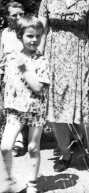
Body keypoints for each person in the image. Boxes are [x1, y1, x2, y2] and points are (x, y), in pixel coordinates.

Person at [38, 0, 89, 172]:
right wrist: (38, 62)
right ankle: (65, 154)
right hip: (53, 61)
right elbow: (41, 33)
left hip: (79, 61)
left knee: (84, 111)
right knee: (55, 112)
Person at [0, 16, 50, 193]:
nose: (34, 39)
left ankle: (32, 184)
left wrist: (24, 69)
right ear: (20, 36)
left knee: (33, 146)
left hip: (35, 109)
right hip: (14, 109)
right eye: (30, 35)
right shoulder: (12, 57)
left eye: (38, 35)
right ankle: (6, 180)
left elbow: (38, 88)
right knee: (5, 146)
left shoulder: (41, 60)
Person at [0, 2, 29, 157]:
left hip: (26, 73)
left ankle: (26, 138)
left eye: (21, 14)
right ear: (7, 17)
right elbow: (1, 57)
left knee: (25, 106)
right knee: (11, 107)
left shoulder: (28, 31)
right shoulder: (4, 33)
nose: (18, 17)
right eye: (14, 15)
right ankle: (17, 140)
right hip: (9, 75)